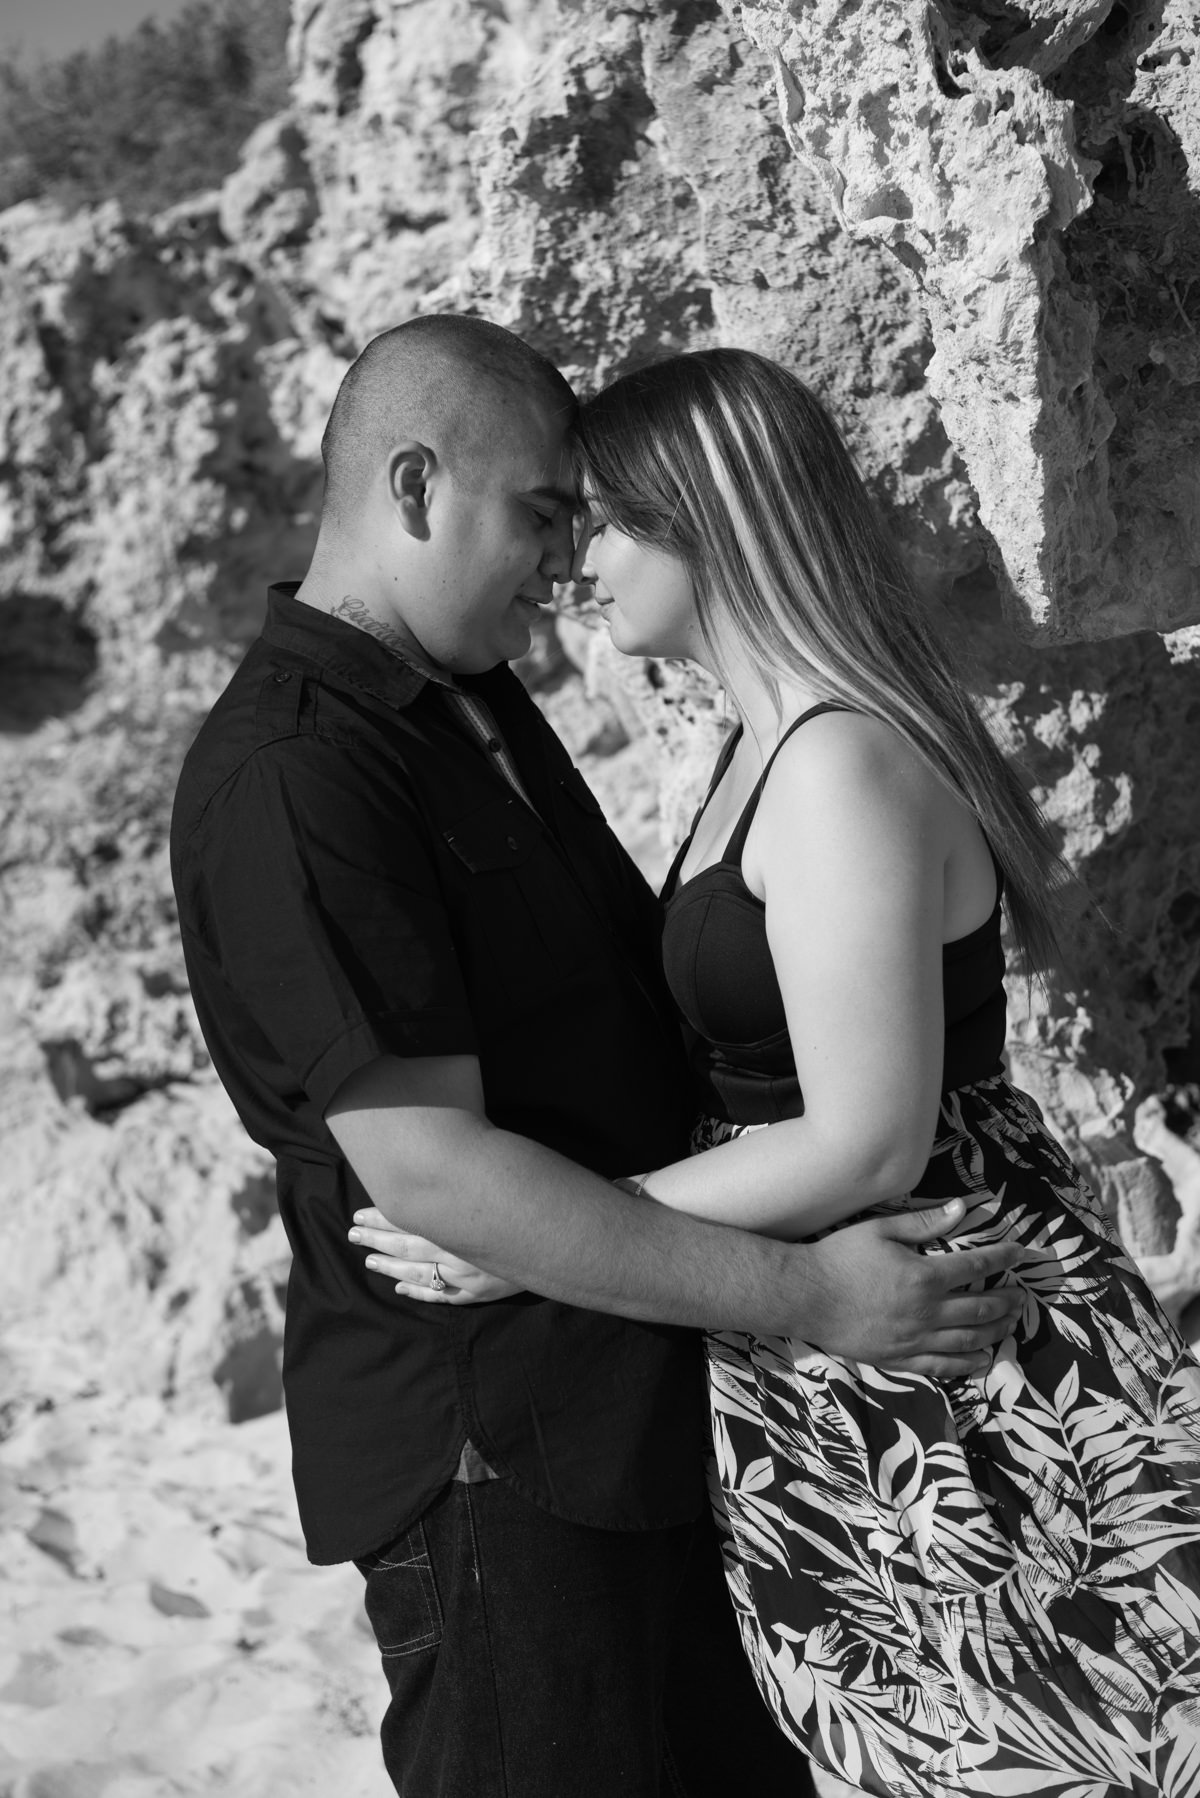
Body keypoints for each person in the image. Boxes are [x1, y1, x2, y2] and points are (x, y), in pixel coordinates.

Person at [171, 316, 1027, 1798]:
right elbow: (436, 1177)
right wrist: (815, 1290)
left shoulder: (467, 702)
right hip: (498, 1460)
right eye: (545, 511)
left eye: (593, 518)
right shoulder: (297, 771)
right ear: (418, 486)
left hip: (641, 1418)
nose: (567, 559)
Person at [354, 346, 1200, 1796]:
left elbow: (867, 1135)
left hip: (945, 1343)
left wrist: (544, 1236)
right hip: (843, 1339)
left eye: (605, 519)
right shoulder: (761, 748)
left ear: (714, 515)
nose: (572, 559)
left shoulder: (833, 762)